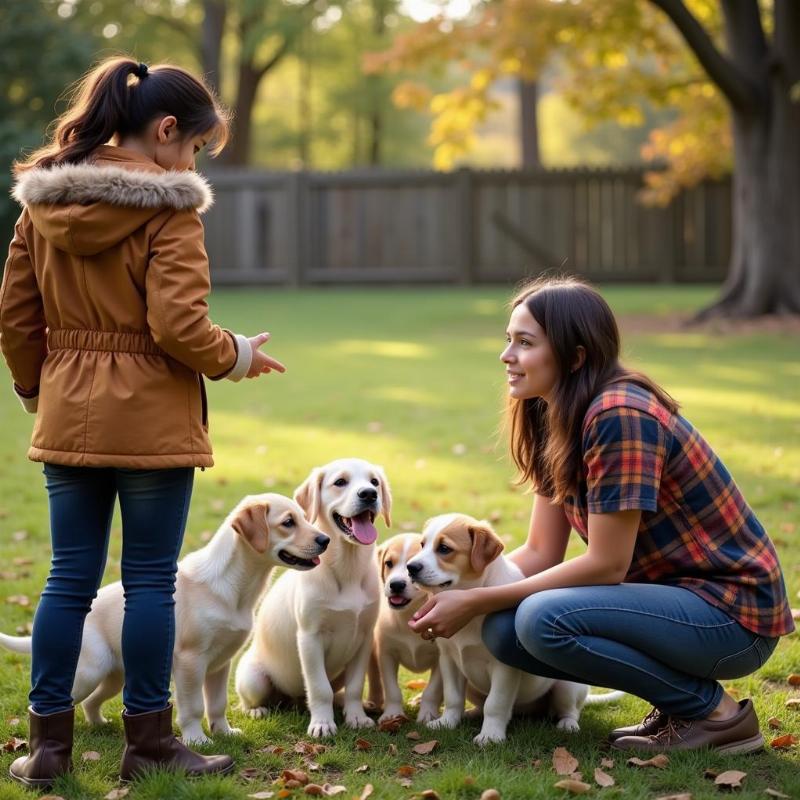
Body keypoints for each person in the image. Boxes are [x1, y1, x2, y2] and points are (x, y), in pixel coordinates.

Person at [0, 56, 285, 788]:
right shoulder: (169, 208)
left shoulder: (40, 207)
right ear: (164, 133)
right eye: (193, 147)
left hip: (69, 412)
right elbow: (179, 326)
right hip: (153, 421)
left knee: (68, 579)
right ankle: (151, 742)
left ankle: (48, 751)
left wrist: (39, 392)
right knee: (152, 582)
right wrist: (238, 355)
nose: (191, 162)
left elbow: (16, 317)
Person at [408, 276, 794, 753]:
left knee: (537, 620)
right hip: (671, 603)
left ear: (575, 356)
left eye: (524, 343)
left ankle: (715, 715)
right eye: (508, 340)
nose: (507, 356)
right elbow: (541, 552)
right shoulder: (553, 415)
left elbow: (607, 564)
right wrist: (463, 590)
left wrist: (476, 601)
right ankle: (677, 706)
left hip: (732, 615)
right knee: (505, 632)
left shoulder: (619, 416)